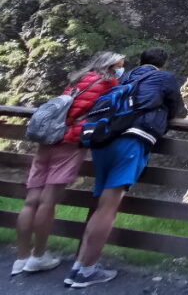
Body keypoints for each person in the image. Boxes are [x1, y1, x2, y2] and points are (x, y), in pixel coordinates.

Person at [67, 47, 185, 288]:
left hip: (103, 139)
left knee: (100, 204)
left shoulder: (125, 77)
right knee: (108, 208)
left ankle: (79, 264)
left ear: (140, 61)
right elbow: (178, 110)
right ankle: (87, 271)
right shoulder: (164, 78)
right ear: (162, 63)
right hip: (129, 140)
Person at [12, 52, 125, 276]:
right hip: (70, 142)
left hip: (47, 138)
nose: (121, 70)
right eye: (119, 66)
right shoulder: (107, 83)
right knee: (48, 201)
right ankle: (38, 256)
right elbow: (111, 111)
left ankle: (21, 257)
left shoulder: (77, 80)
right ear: (110, 66)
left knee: (31, 200)